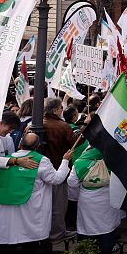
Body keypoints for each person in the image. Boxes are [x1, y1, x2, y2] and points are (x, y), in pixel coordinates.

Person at [0, 133, 72, 254]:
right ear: (38, 147)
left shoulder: (4, 159)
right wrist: (65, 160)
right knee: (29, 251)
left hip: (4, 211)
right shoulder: (41, 160)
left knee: (6, 251)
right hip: (30, 215)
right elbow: (56, 179)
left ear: (19, 145)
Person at [68, 145, 124, 254]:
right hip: (107, 199)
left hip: (87, 201)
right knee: (107, 228)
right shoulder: (113, 159)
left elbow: (72, 183)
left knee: (86, 228)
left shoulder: (80, 161)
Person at [42, 97, 74, 242]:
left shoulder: (34, 124)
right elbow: (73, 143)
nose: (63, 110)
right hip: (57, 169)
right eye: (61, 107)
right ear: (55, 110)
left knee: (43, 205)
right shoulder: (62, 126)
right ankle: (56, 233)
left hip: (39, 171)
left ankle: (45, 232)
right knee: (58, 205)